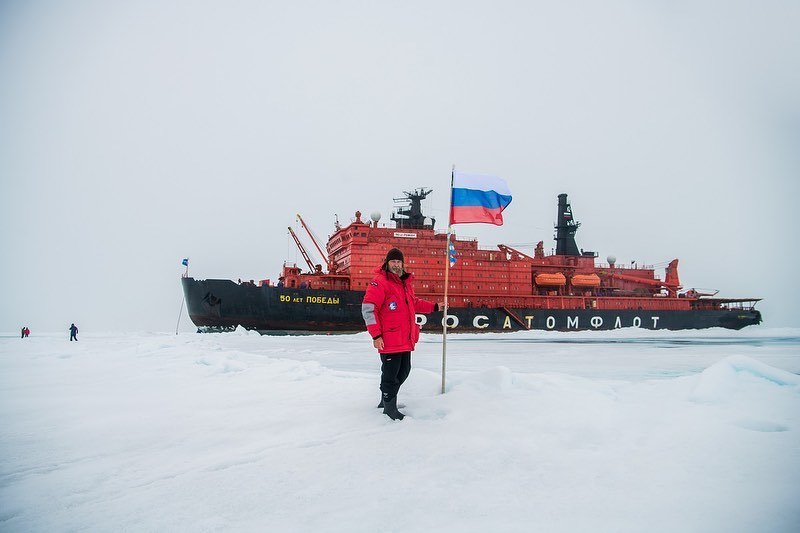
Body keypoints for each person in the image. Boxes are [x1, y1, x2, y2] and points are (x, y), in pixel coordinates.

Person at [361, 248, 440, 420]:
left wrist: (434, 307)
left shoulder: (404, 283)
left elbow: (413, 303)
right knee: (391, 375)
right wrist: (376, 336)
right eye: (393, 262)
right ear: (387, 264)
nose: (396, 265)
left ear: (402, 264)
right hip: (389, 339)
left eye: (399, 262)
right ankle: (390, 408)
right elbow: (368, 309)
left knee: (403, 371)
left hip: (404, 338)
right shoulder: (380, 282)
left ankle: (386, 399)